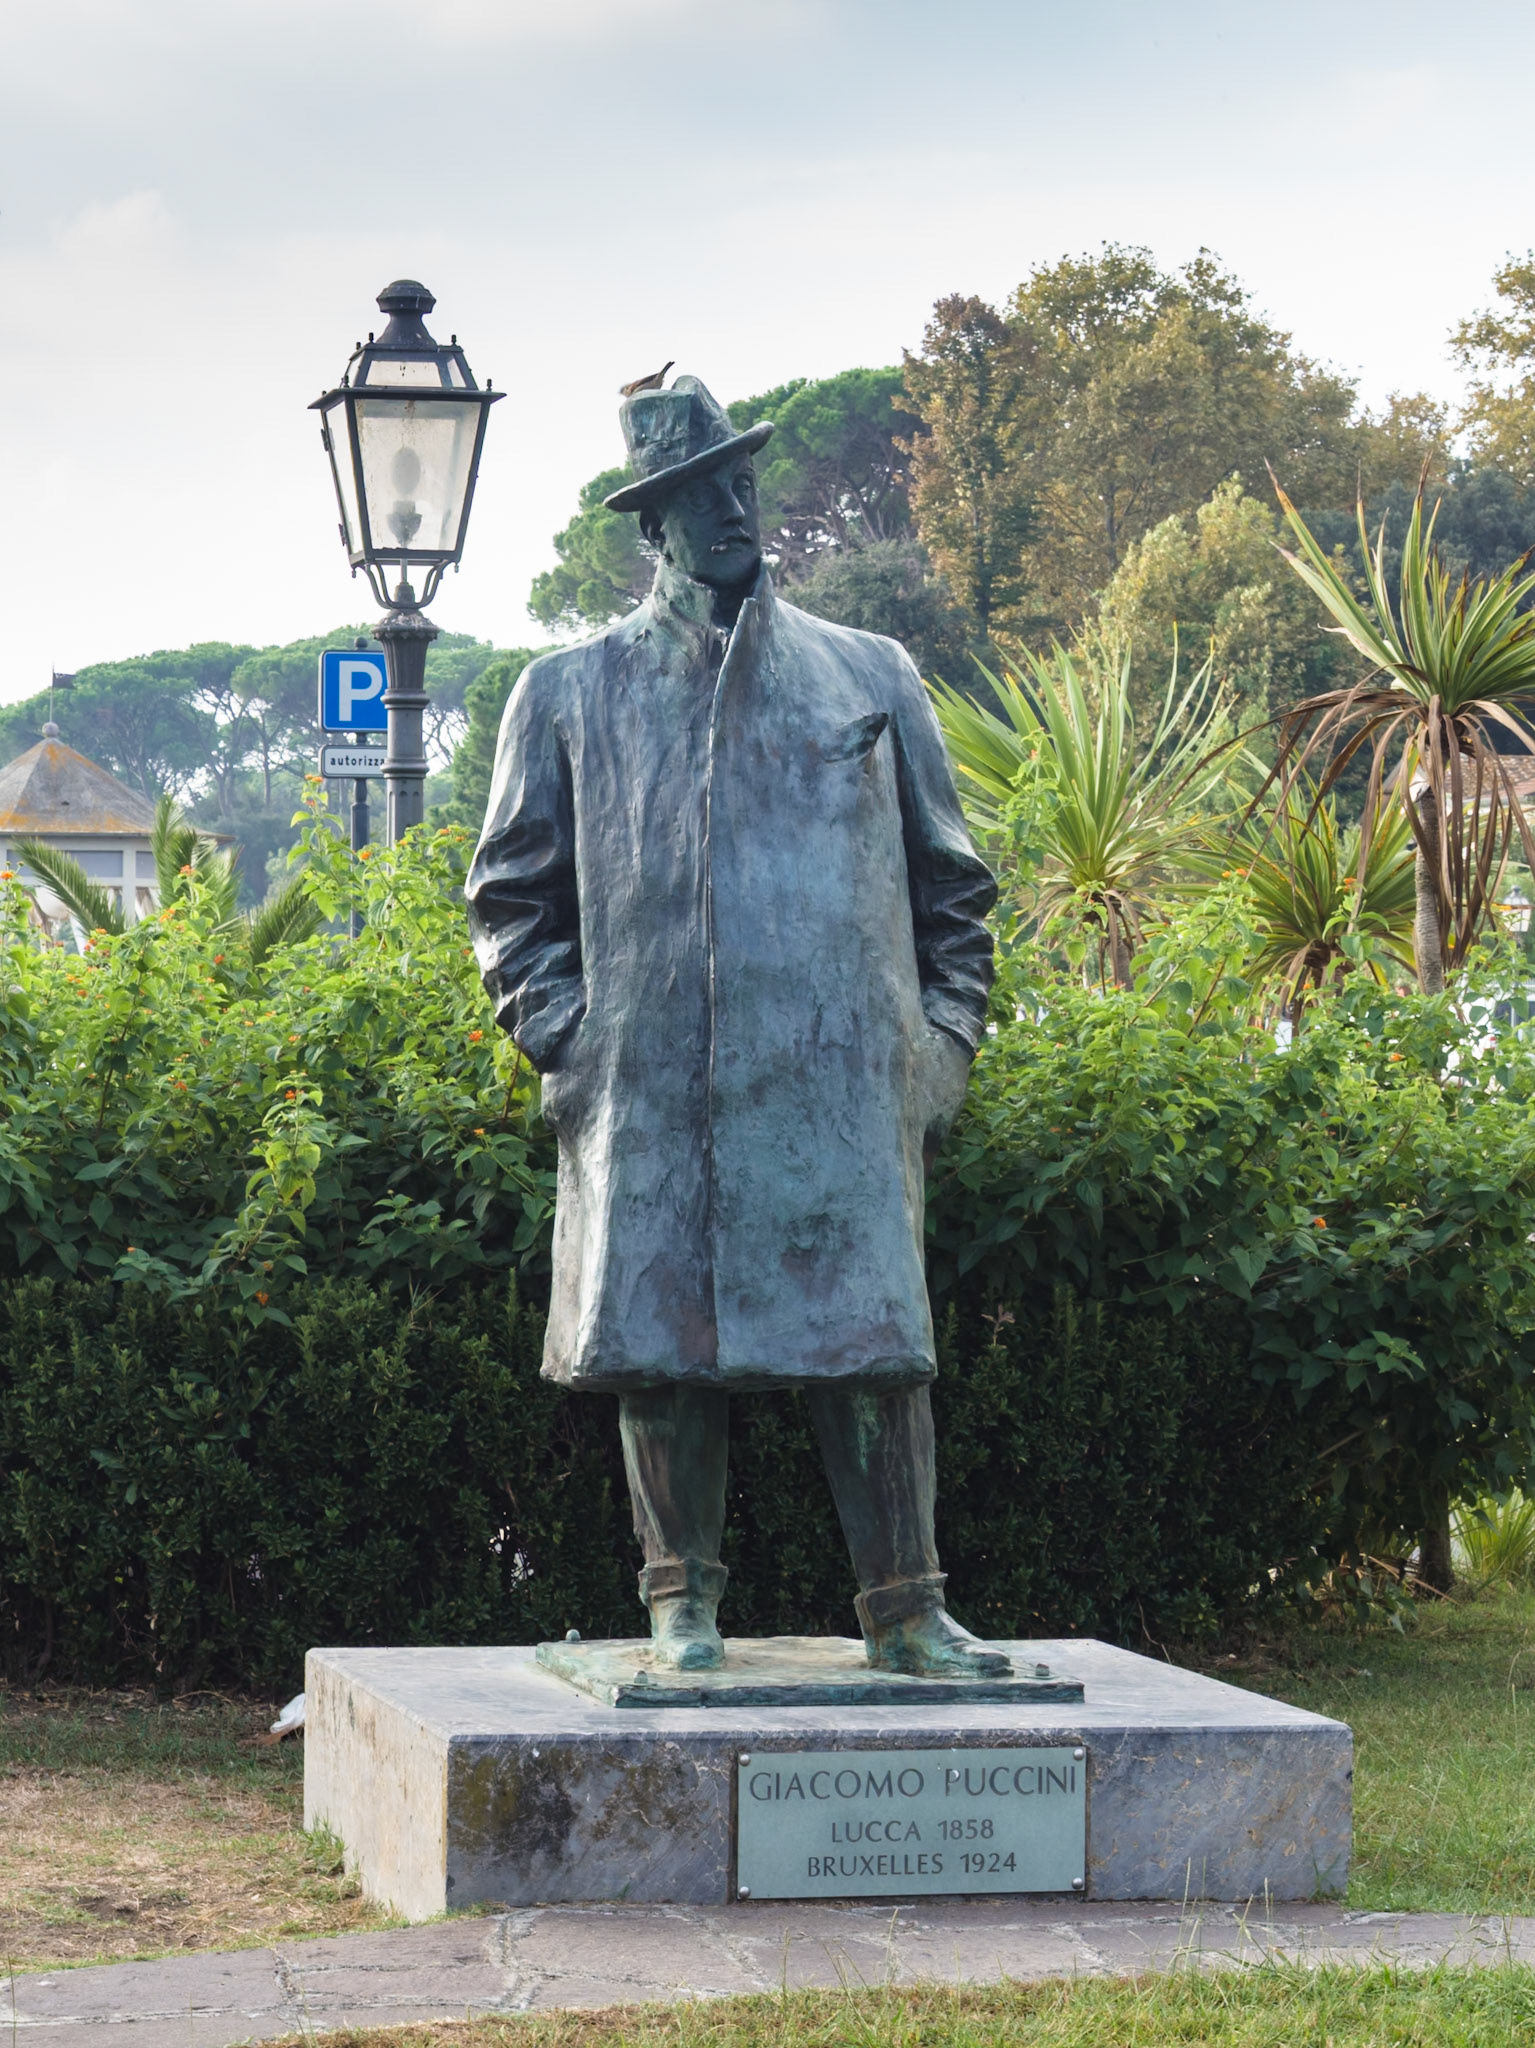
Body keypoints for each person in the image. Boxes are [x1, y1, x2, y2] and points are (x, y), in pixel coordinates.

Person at [467, 373, 1006, 1678]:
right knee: (666, 1345)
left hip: (840, 1080)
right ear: (652, 528)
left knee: (874, 1348)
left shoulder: (868, 676)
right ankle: (679, 1603)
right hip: (648, 1078)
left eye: (740, 483)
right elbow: (510, 895)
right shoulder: (567, 691)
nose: (731, 510)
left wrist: (941, 1042)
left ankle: (906, 1608)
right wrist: (567, 1038)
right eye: (699, 496)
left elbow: (956, 884)